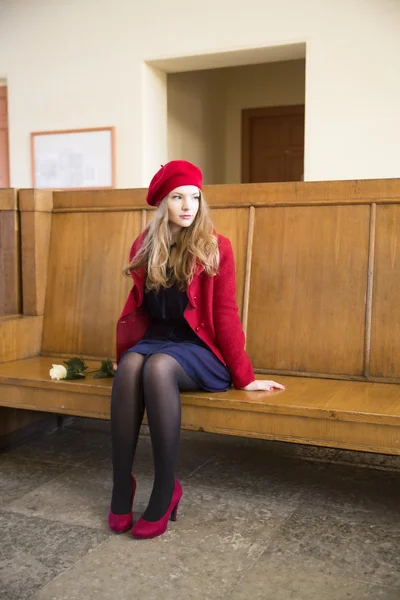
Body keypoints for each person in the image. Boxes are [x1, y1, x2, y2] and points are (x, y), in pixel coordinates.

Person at [109, 160, 285, 540]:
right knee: (129, 367)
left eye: (194, 197)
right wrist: (124, 352)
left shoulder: (215, 247)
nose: (188, 205)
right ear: (162, 204)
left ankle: (165, 489)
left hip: (199, 351)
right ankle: (121, 486)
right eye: (177, 197)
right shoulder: (145, 245)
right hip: (157, 340)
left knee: (157, 368)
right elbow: (137, 310)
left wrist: (245, 377)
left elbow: (225, 314)